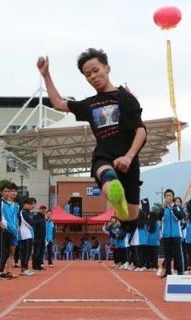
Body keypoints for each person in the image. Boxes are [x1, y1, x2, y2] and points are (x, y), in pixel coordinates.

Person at [37, 49, 147, 233]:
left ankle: (121, 211)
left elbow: (141, 131)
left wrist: (128, 157)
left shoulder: (125, 98)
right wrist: (46, 75)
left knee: (130, 220)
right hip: (104, 157)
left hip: (129, 161)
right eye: (88, 75)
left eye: (96, 70)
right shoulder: (89, 104)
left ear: (107, 68)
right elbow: (58, 103)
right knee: (108, 177)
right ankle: (116, 197)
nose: (93, 76)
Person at [0, 183, 19, 279]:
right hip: (1, 230)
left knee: (7, 252)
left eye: (8, 191)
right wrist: (0, 223)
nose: (7, 193)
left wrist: (14, 229)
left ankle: (1, 270)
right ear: (1, 192)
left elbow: (14, 218)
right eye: (5, 191)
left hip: (10, 231)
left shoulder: (12, 205)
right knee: (1, 251)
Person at [160, 189, 185, 278]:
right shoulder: (163, 208)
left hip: (176, 235)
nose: (168, 197)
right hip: (166, 235)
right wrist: (163, 208)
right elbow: (159, 217)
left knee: (178, 254)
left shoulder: (176, 207)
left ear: (173, 197)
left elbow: (180, 216)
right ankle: (168, 272)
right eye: (166, 196)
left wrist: (172, 207)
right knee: (167, 255)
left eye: (170, 195)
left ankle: (180, 272)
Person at [18, 198, 36, 276]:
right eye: (31, 204)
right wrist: (33, 223)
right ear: (25, 204)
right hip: (24, 235)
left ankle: (26, 268)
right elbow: (30, 223)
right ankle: (23, 269)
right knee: (25, 253)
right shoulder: (23, 212)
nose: (32, 206)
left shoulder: (28, 213)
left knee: (28, 253)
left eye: (33, 204)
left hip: (29, 235)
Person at [32, 205, 47, 270]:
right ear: (39, 209)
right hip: (37, 237)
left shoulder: (43, 217)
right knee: (36, 252)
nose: (43, 210)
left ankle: (39, 265)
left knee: (41, 252)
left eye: (44, 209)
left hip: (42, 237)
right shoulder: (36, 216)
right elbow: (34, 224)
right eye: (42, 209)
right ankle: (35, 265)